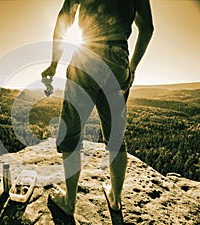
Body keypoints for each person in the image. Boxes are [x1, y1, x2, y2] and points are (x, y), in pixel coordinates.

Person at [41, 0, 154, 220]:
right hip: (118, 59)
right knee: (116, 136)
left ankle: (69, 201)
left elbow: (65, 16)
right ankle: (116, 199)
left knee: (72, 131)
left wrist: (54, 63)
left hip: (87, 55)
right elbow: (147, 27)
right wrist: (132, 67)